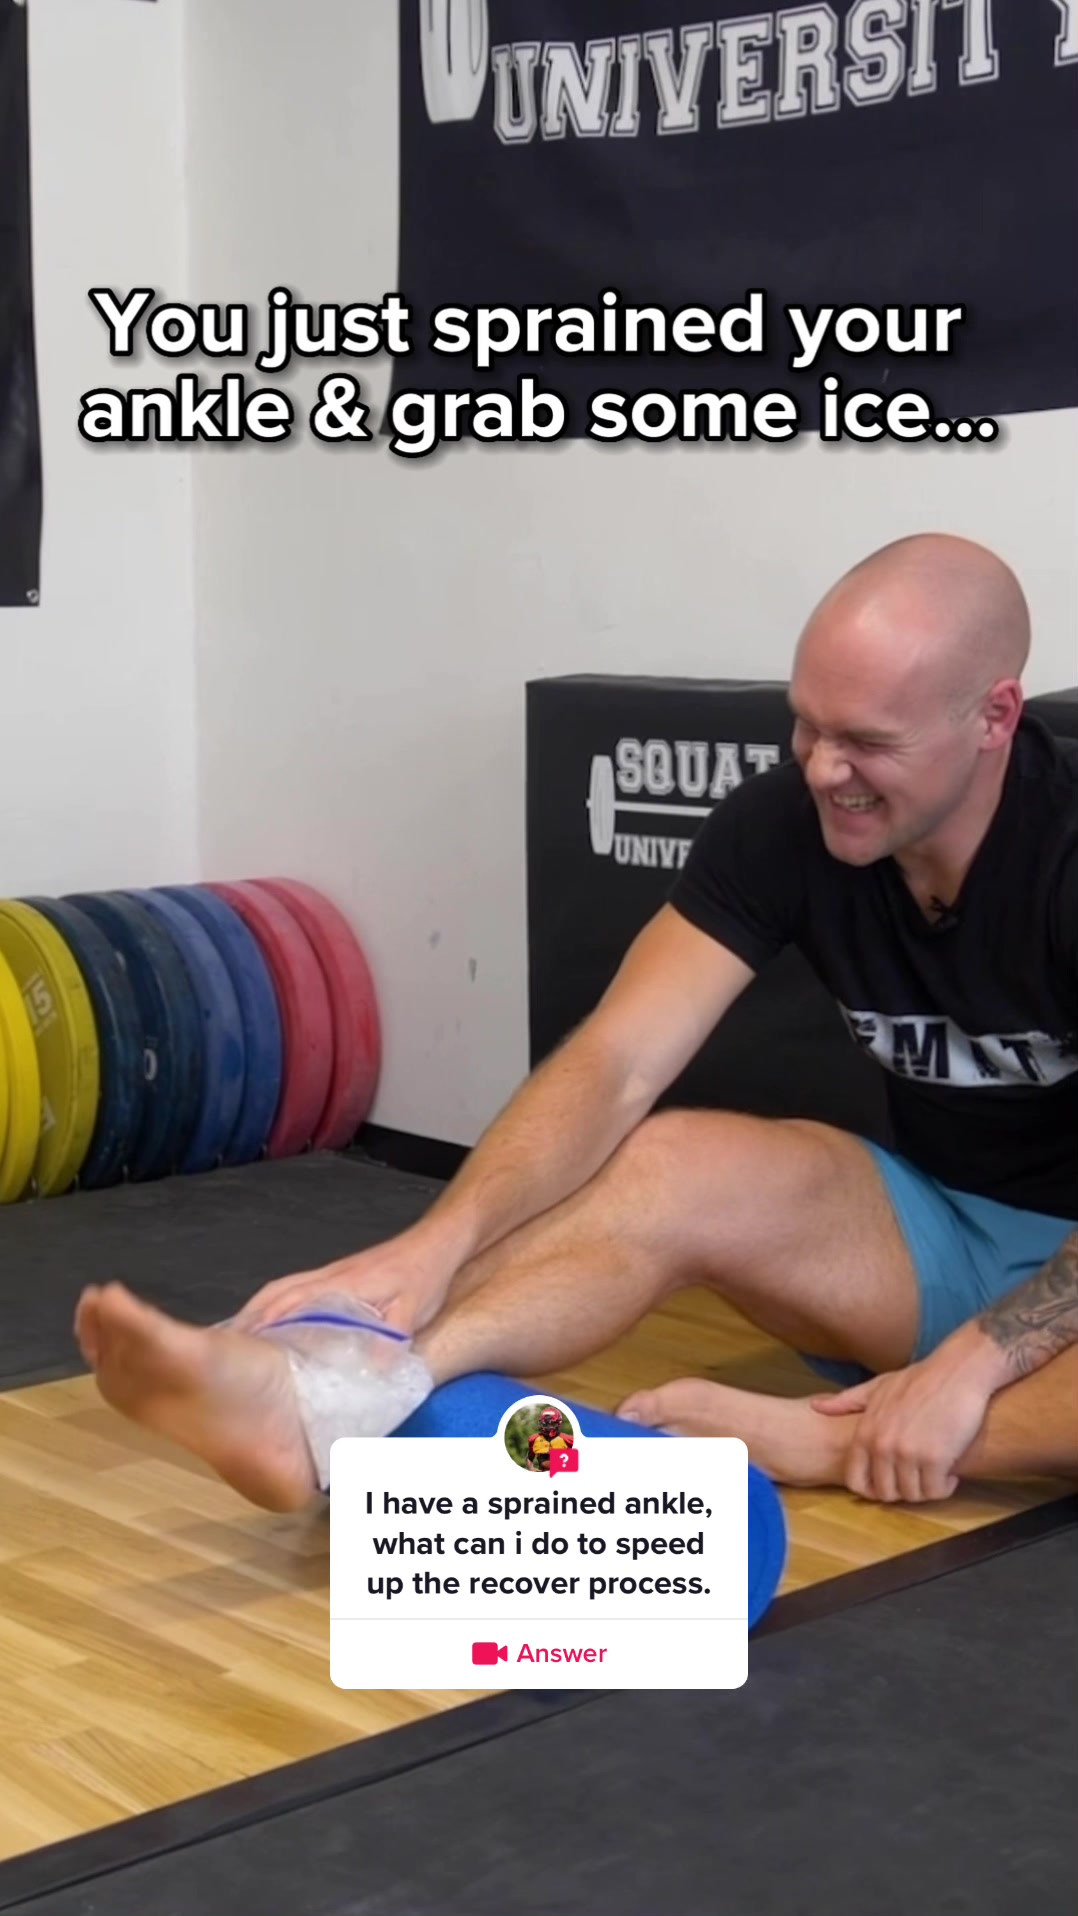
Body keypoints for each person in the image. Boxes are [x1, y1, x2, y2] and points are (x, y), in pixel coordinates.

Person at [75, 533, 1078, 1514]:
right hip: (940, 1234)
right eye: (807, 726)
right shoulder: (786, 825)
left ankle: (832, 1441)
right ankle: (330, 1399)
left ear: (993, 716)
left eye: (868, 742)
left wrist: (975, 1360)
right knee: (673, 1159)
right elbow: (618, 1059)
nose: (823, 768)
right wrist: (434, 1244)